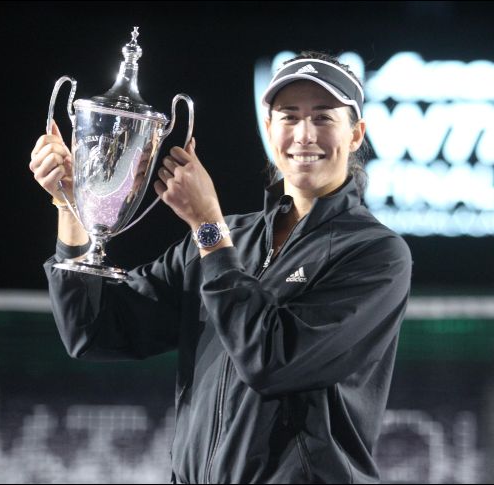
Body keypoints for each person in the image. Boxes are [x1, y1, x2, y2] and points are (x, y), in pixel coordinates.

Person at [28, 51, 412, 484]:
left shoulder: (375, 254)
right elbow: (93, 330)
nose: (304, 135)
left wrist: (208, 227)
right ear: (269, 129)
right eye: (288, 117)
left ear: (357, 134)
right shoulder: (230, 240)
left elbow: (271, 361)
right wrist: (71, 203)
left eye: (323, 118)